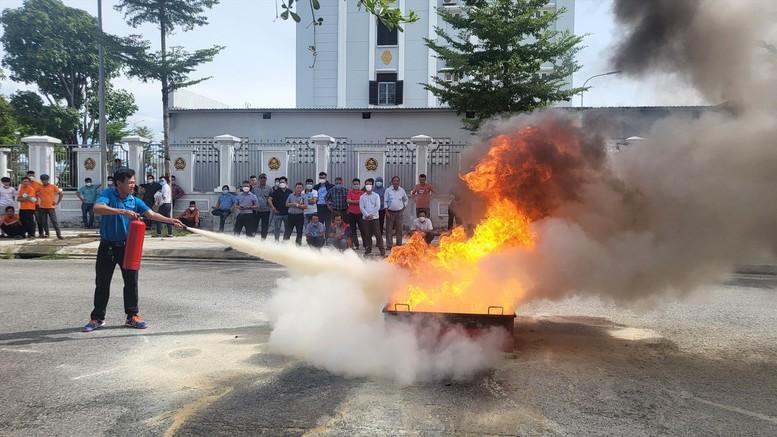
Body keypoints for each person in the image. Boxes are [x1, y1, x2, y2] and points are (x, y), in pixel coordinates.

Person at [82, 167, 184, 332]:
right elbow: (97, 208)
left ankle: (132, 316)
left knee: (131, 282)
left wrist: (170, 220)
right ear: (118, 183)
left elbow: (150, 214)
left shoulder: (134, 200)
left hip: (127, 248)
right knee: (102, 283)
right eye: (129, 182)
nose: (133, 185)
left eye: (133, 182)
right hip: (107, 246)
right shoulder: (108, 194)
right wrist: (122, 211)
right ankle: (97, 318)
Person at [359, 178, 385, 256]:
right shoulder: (362, 196)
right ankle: (368, 249)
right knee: (367, 235)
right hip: (366, 219)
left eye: (370, 184)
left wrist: (371, 215)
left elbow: (377, 206)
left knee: (378, 234)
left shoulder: (376, 196)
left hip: (375, 218)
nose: (368, 185)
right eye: (367, 184)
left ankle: (381, 249)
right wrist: (367, 215)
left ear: (372, 185)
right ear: (365, 185)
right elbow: (361, 207)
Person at [35, 174, 63, 239]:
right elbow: (35, 193)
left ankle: (58, 234)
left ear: (48, 180)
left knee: (54, 221)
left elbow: (60, 193)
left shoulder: (53, 186)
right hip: (42, 207)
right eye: (43, 180)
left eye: (45, 180)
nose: (44, 181)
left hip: (51, 207)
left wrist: (57, 202)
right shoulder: (39, 187)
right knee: (44, 222)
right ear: (41, 180)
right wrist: (38, 197)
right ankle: (47, 234)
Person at [384, 176, 409, 250]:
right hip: (390, 212)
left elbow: (406, 199)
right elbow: (385, 201)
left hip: (399, 213)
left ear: (399, 182)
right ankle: (389, 245)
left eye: (397, 181)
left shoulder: (402, 190)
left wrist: (404, 207)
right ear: (392, 182)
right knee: (389, 230)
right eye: (394, 181)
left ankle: (399, 245)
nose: (396, 182)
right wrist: (386, 212)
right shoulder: (388, 190)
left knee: (399, 229)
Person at [269, 176, 291, 241]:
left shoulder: (290, 191)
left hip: (287, 213)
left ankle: (285, 241)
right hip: (278, 213)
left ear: (286, 183)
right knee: (277, 228)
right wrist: (273, 208)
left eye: (283, 182)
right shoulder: (276, 191)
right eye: (280, 182)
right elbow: (269, 199)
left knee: (287, 228)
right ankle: (276, 241)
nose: (281, 183)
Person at [346, 178, 365, 250]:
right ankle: (356, 244)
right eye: (354, 184)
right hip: (351, 213)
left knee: (362, 229)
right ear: (352, 184)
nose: (356, 185)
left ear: (359, 184)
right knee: (353, 230)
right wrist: (358, 201)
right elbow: (348, 201)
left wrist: (352, 201)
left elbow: (362, 202)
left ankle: (365, 244)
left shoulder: (362, 193)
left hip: (360, 213)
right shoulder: (350, 192)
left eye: (357, 184)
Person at [252, 173, 272, 239]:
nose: (263, 179)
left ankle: (263, 240)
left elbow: (272, 198)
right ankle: (252, 239)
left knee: (265, 226)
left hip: (266, 210)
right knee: (254, 226)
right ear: (259, 179)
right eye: (261, 178)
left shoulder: (269, 188)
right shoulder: (254, 188)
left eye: (264, 178)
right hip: (256, 211)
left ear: (266, 179)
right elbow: (251, 198)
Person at [26, 171, 44, 237]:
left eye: (32, 175)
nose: (31, 176)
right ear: (27, 175)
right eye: (29, 175)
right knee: (30, 221)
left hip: (36, 205)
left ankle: (41, 233)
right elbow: (23, 194)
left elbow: (41, 194)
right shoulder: (23, 184)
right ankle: (31, 234)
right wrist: (32, 199)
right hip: (27, 205)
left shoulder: (38, 184)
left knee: (39, 219)